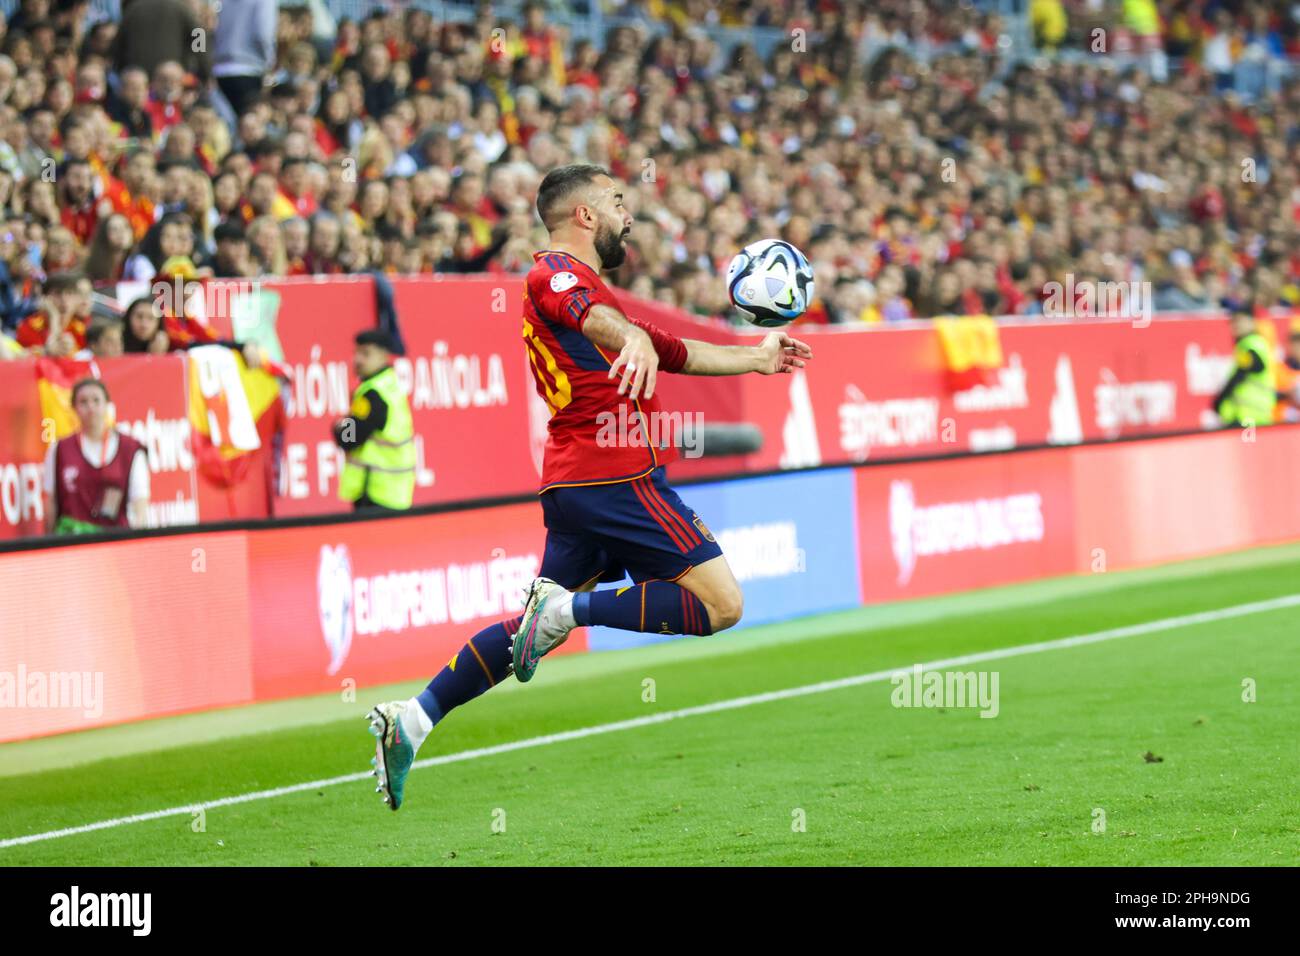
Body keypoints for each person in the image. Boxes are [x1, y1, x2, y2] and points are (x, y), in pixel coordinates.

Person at [365, 164, 813, 810]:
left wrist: (756, 356)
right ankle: (565, 611)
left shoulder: (592, 291)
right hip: (616, 474)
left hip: (578, 483)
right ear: (585, 215)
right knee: (721, 605)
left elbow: (672, 350)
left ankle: (413, 718)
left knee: (529, 631)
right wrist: (627, 334)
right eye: (618, 201)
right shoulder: (557, 274)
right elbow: (599, 320)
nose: (628, 214)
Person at [43, 378, 150, 535]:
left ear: (107, 404)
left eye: (96, 400)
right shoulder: (59, 449)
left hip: (116, 539)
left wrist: (136, 541)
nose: (91, 407)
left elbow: (140, 502)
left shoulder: (131, 448)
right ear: (74, 408)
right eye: (83, 402)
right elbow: (50, 501)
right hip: (72, 541)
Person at [331, 328, 415, 512]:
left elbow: (349, 439)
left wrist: (339, 427)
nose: (358, 360)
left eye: (366, 354)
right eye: (357, 353)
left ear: (383, 356)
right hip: (396, 491)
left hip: (376, 492)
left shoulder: (372, 394)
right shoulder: (389, 384)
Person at [1214, 308, 1276, 428]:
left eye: (1240, 320)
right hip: (1255, 414)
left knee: (1247, 445)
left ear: (1252, 322)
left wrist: (1220, 399)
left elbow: (1245, 371)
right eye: (1233, 322)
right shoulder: (1253, 343)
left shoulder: (1250, 344)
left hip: (1249, 415)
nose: (1236, 325)